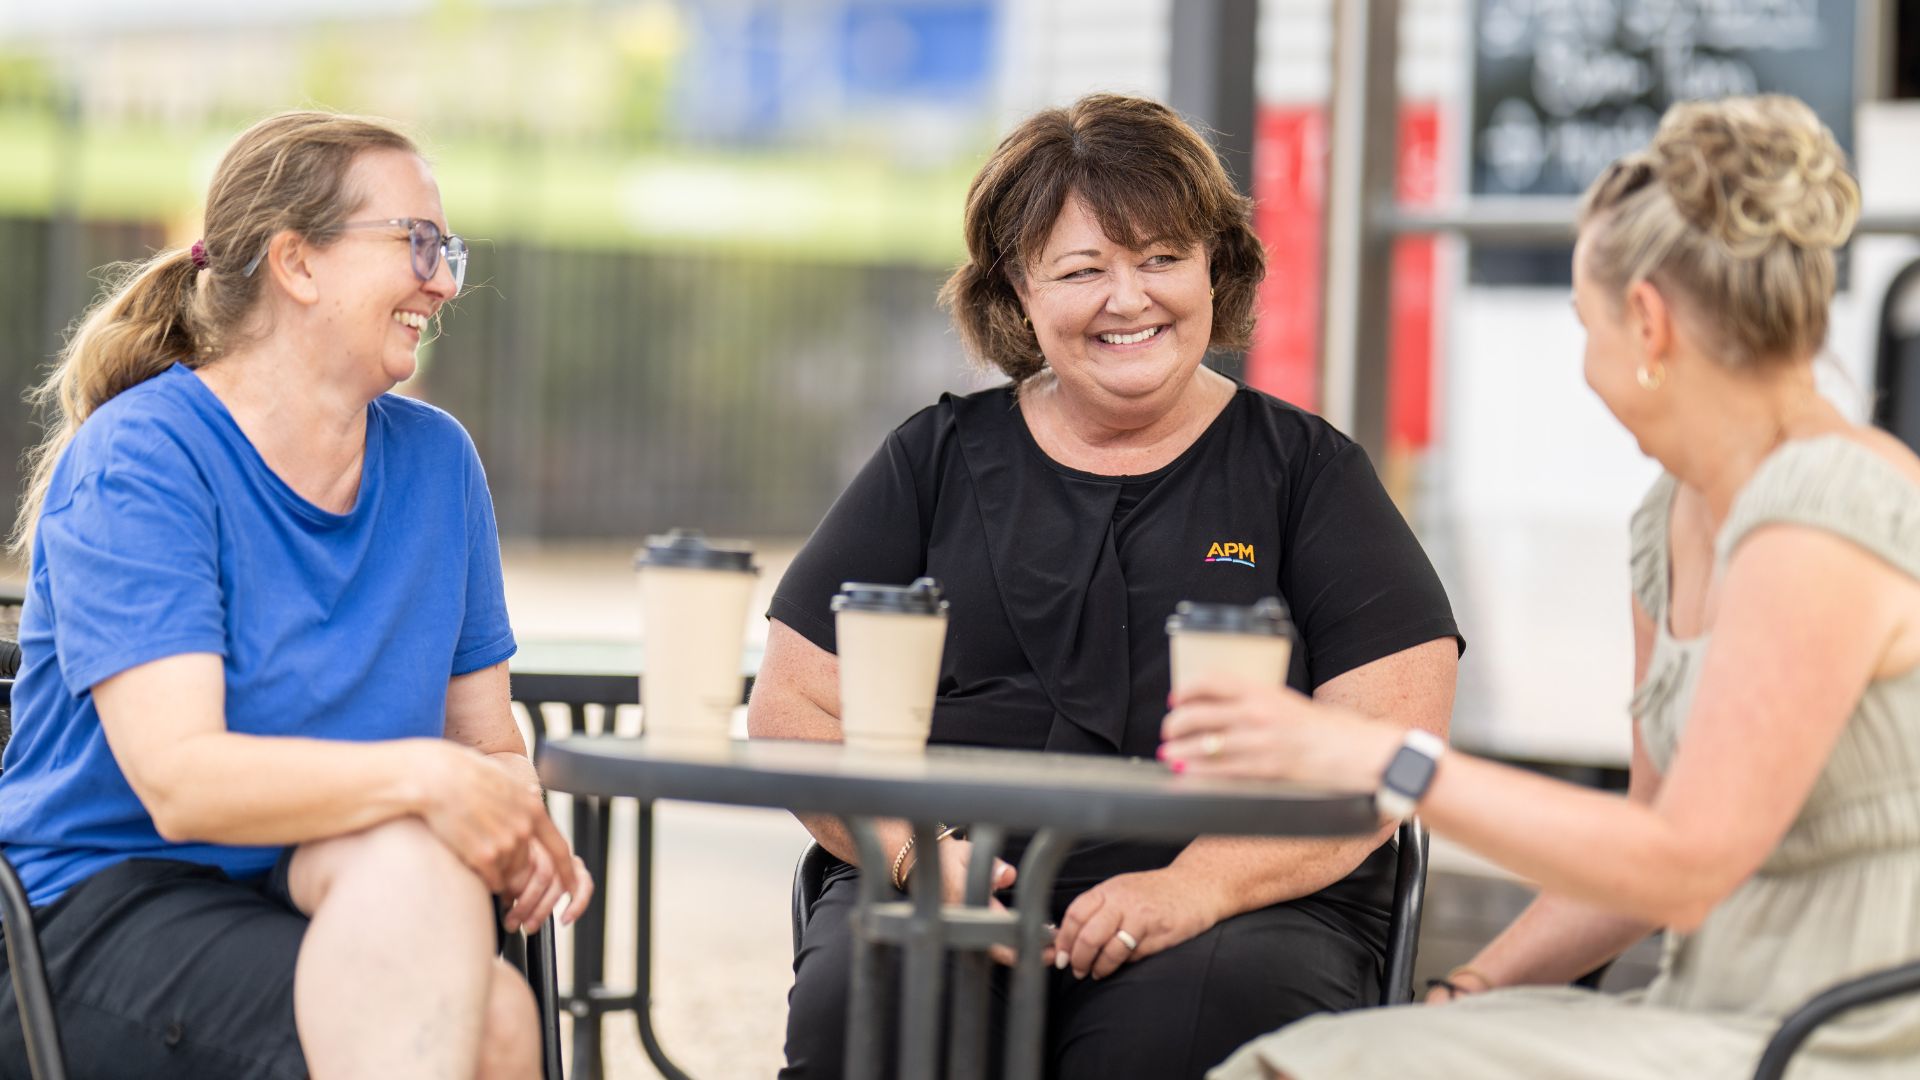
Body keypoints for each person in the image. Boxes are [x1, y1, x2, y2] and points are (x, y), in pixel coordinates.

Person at [1172, 94, 1920, 1080]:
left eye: (1587, 322)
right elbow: (1639, 859)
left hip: (1828, 1042)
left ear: (1646, 323)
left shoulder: (1824, 510)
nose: (1586, 360)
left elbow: (1684, 868)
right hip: (1699, 1015)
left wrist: (1389, 759)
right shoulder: (1674, 514)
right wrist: (1469, 992)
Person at [749, 93, 1463, 1078]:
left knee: (1187, 1028)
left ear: (1217, 265)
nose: (1130, 300)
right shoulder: (933, 460)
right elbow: (791, 704)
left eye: (1163, 258)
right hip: (954, 881)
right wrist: (918, 859)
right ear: (1019, 290)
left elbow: (1397, 741)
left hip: (1244, 905)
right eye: (1084, 270)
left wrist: (1194, 887)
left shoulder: (1309, 473)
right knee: (868, 1003)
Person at [0, 111, 593, 1079]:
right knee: (487, 1022)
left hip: (322, 876)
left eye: (447, 249)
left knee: (477, 983)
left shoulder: (439, 466)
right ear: (297, 263)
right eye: (417, 243)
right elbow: (182, 783)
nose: (443, 281)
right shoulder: (145, 459)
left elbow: (484, 746)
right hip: (98, 918)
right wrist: (428, 781)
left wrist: (508, 815)